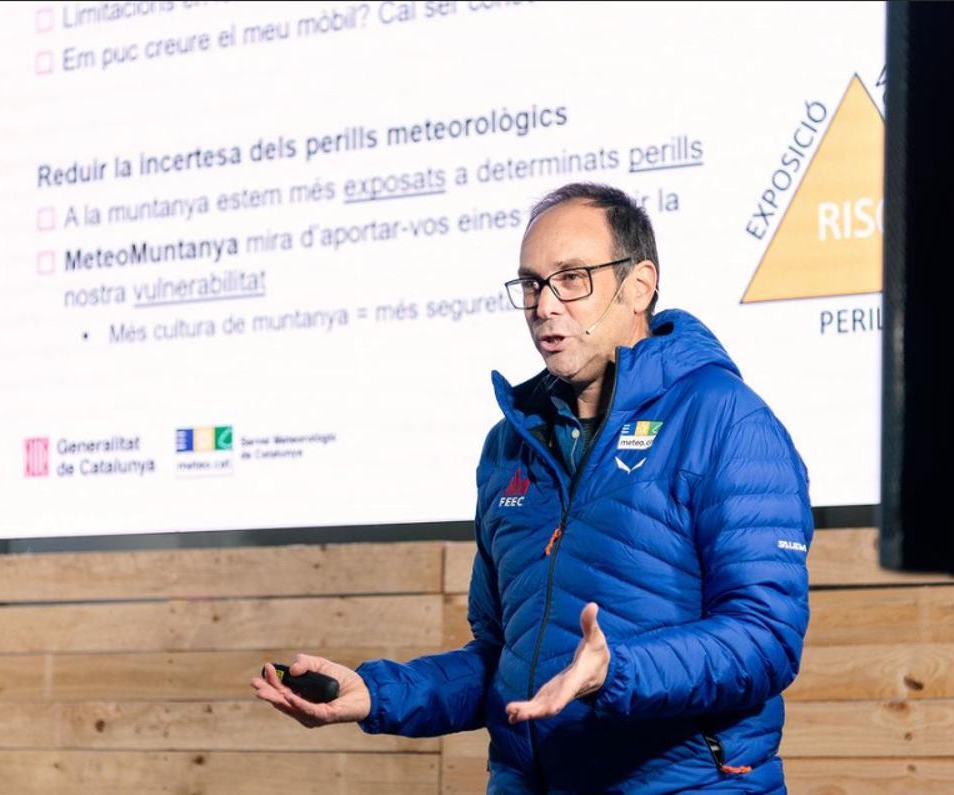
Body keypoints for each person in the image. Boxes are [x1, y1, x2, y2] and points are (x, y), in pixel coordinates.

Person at [252, 182, 813, 794]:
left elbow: (765, 638)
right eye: (531, 283)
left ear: (639, 285)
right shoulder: (507, 446)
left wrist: (615, 670)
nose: (545, 304)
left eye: (572, 278)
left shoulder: (726, 420)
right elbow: (502, 658)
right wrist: (377, 693)